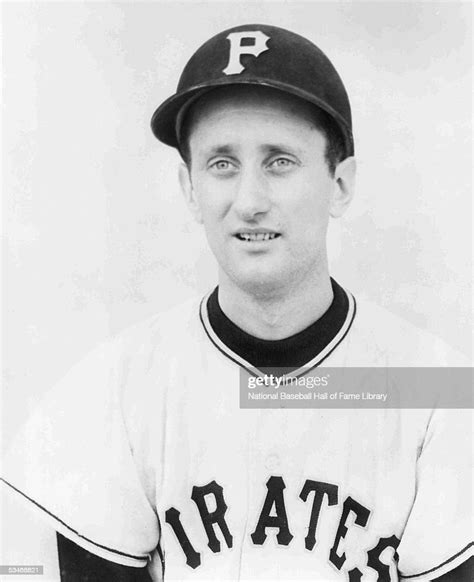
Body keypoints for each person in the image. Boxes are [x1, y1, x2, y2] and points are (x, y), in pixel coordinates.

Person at [1, 23, 472, 582]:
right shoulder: (116, 386)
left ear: (340, 184)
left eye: (280, 161)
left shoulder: (437, 384)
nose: (249, 202)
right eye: (222, 164)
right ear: (189, 188)